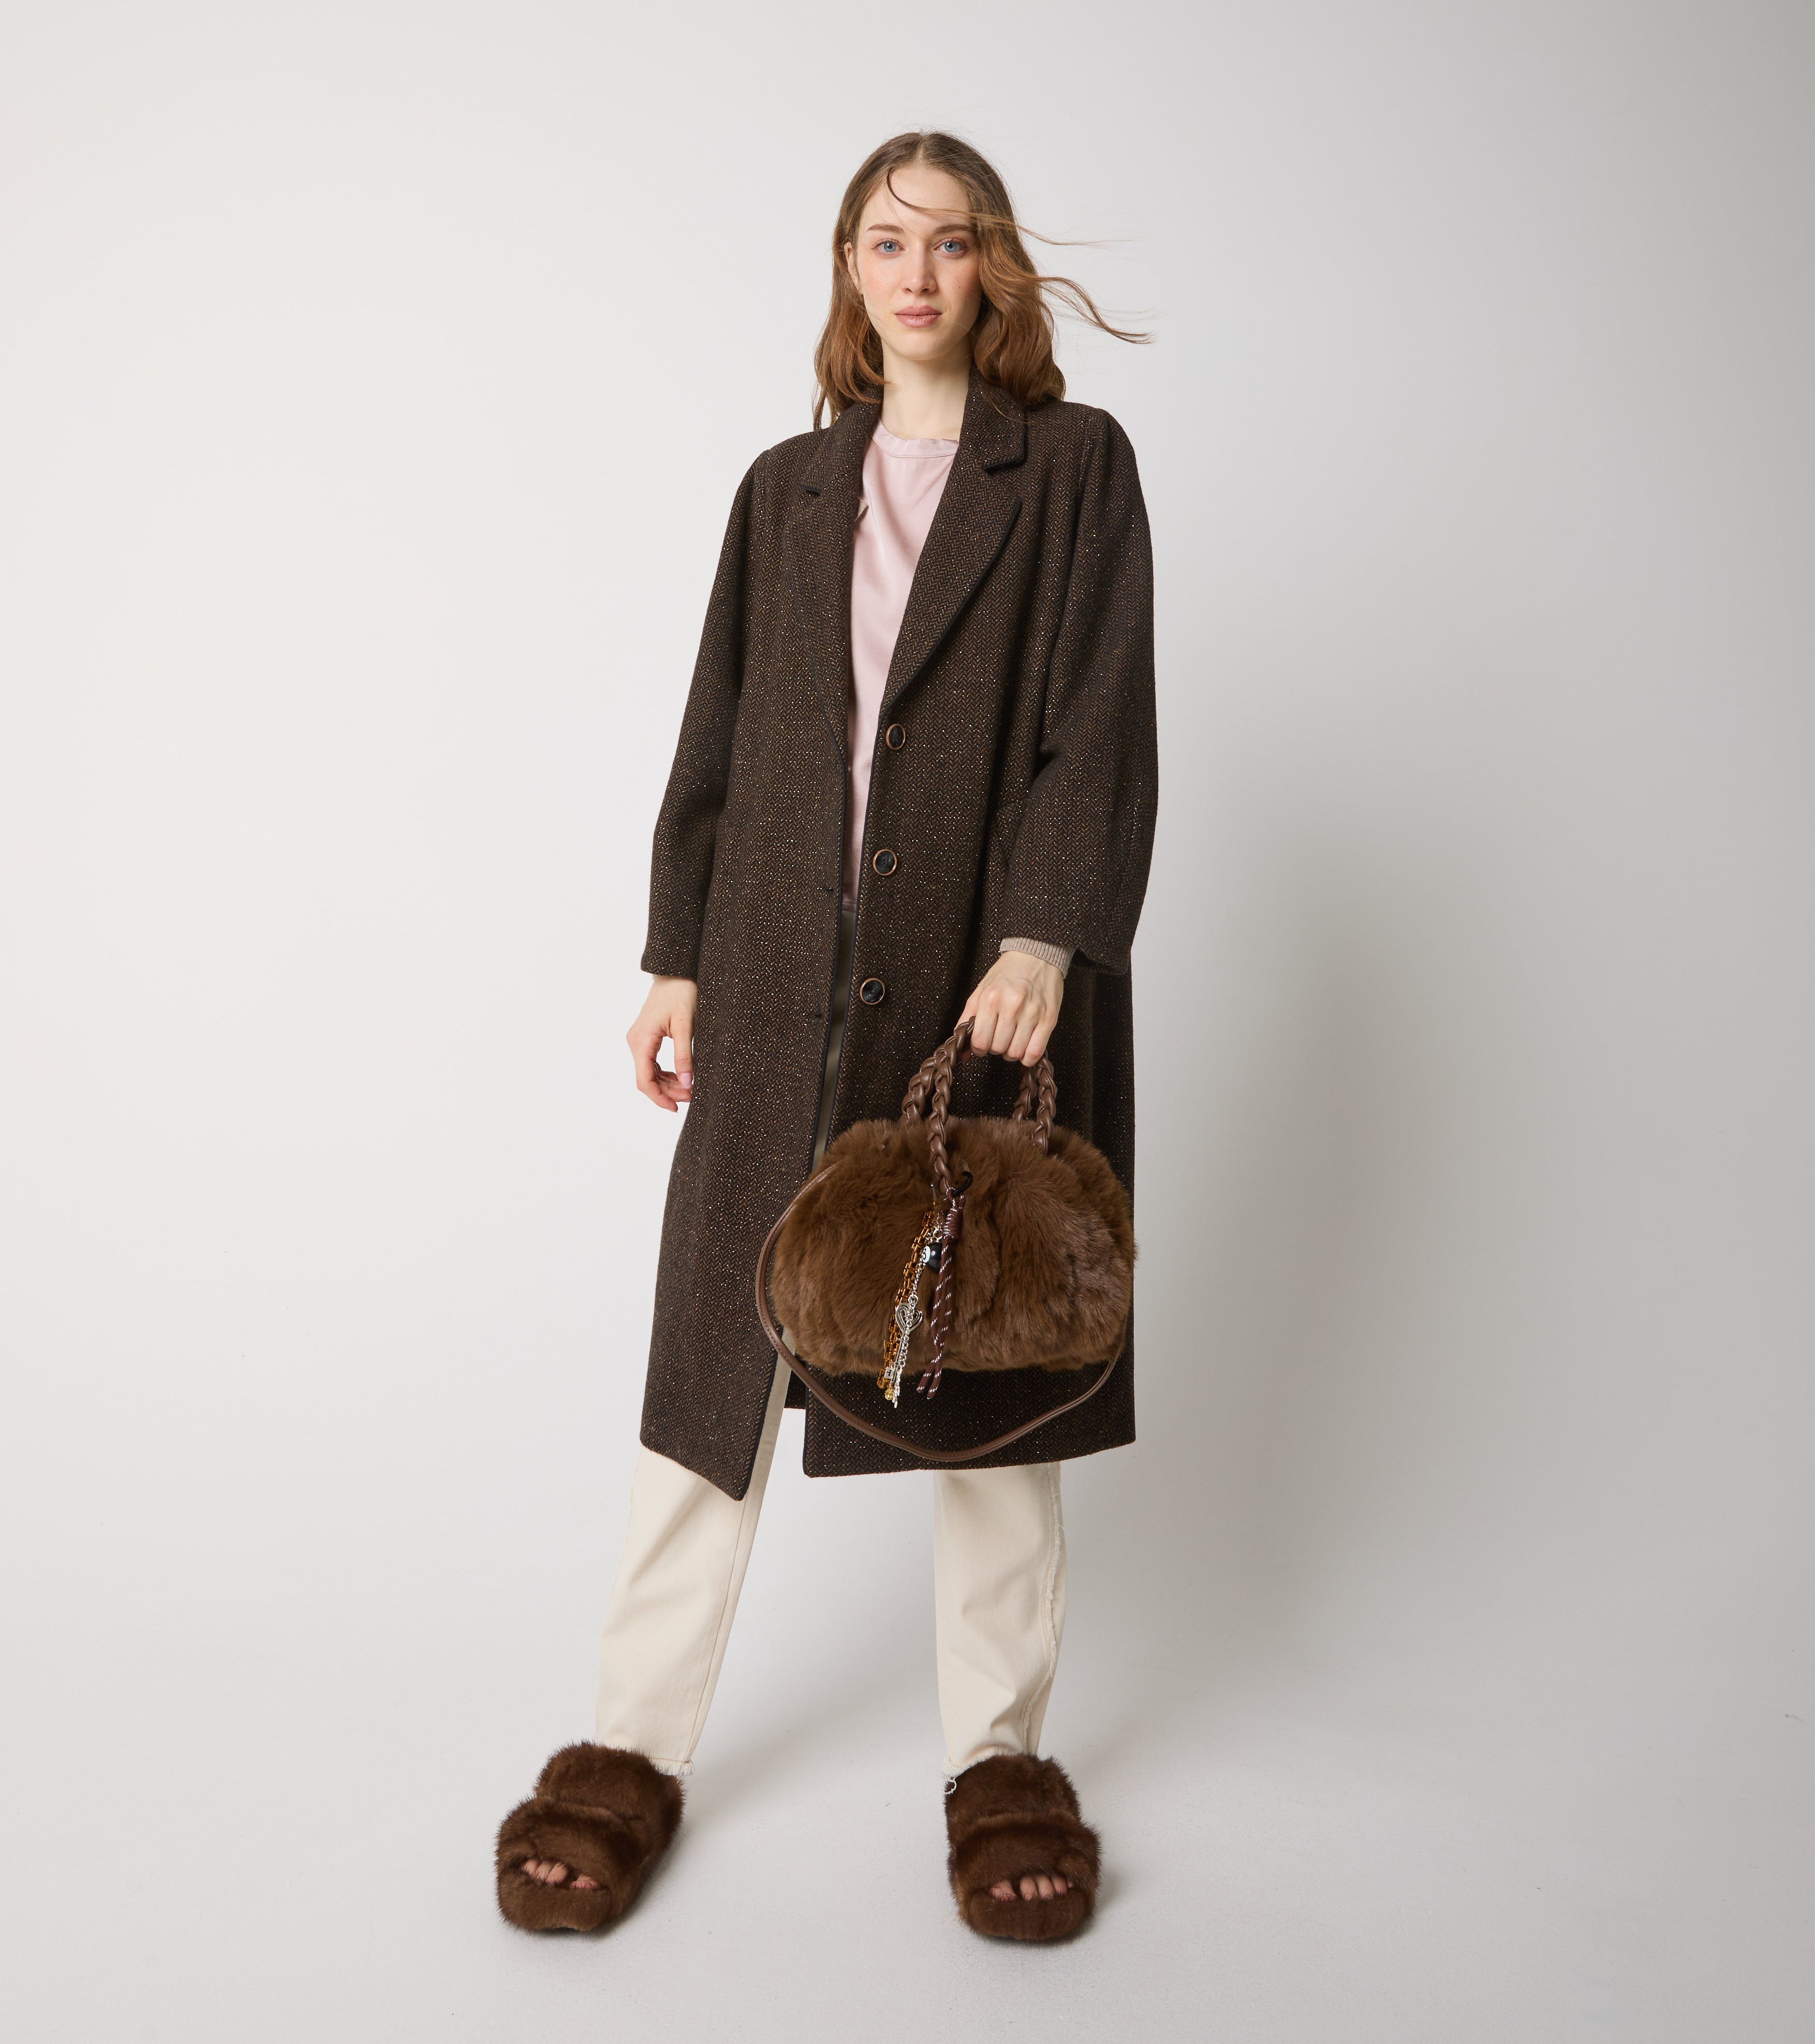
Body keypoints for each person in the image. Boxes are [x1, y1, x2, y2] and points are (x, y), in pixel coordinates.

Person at [495, 128, 1156, 1945]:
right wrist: (679, 957)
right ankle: (629, 1748)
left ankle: (1001, 1763)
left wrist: (1044, 937)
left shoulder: (1074, 470)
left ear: (994, 263)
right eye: (886, 241)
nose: (918, 274)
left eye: (950, 242)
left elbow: (1099, 719)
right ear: (849, 267)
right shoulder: (785, 490)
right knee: (714, 1356)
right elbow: (718, 727)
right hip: (780, 970)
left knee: (991, 1354)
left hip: (976, 984)